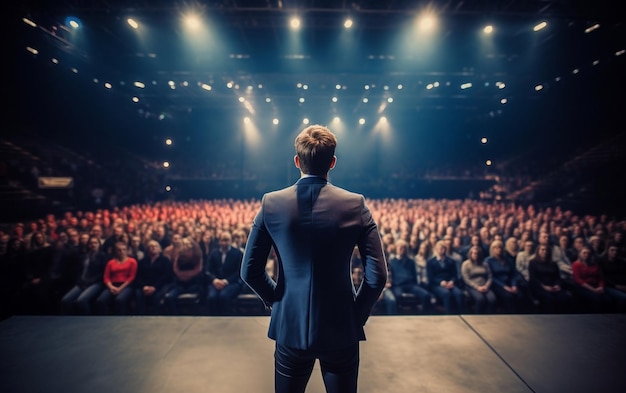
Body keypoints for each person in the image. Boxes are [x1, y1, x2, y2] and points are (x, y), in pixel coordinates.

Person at [241, 125, 387, 393]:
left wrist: (278, 301)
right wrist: (356, 315)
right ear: (332, 162)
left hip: (290, 327)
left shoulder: (271, 203)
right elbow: (378, 276)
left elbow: (249, 271)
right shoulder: (355, 204)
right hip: (340, 326)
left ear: (297, 161)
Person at [60, 236, 107, 315]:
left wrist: (90, 281)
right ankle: (69, 320)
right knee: (65, 300)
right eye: (91, 243)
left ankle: (87, 321)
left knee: (81, 300)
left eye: (95, 243)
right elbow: (79, 271)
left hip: (96, 283)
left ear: (99, 244)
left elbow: (102, 273)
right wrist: (79, 280)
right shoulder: (84, 256)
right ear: (88, 245)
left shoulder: (103, 256)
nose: (93, 245)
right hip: (82, 282)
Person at [205, 231, 244, 316]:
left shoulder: (237, 253)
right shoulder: (214, 253)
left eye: (226, 240)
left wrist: (226, 281)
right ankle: (213, 321)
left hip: (232, 283)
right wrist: (214, 280)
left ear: (230, 241)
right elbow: (208, 270)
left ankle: (226, 320)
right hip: (216, 282)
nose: (224, 243)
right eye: (222, 240)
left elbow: (239, 272)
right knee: (212, 297)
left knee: (223, 296)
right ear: (219, 241)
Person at [528, 243, 573, 313]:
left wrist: (557, 285)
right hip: (540, 287)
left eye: (546, 250)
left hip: (553, 286)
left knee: (564, 297)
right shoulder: (533, 263)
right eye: (542, 250)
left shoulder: (553, 263)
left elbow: (557, 277)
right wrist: (544, 287)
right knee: (550, 298)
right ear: (538, 251)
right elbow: (533, 278)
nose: (545, 251)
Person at [95, 241, 138, 315]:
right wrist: (111, 287)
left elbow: (132, 277)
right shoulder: (110, 262)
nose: (122, 252)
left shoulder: (132, 261)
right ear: (115, 251)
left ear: (127, 251)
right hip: (112, 285)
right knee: (101, 300)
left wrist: (120, 288)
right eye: (119, 250)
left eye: (124, 250)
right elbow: (106, 277)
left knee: (119, 300)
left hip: (126, 285)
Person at [389, 239, 431, 314]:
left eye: (404, 248)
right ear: (396, 249)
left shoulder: (410, 261)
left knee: (426, 295)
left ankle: (425, 316)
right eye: (400, 248)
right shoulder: (392, 262)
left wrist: (415, 285)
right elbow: (391, 276)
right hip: (398, 285)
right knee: (398, 296)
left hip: (410, 285)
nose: (402, 250)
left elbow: (414, 275)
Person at [135, 240, 173, 315]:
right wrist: (144, 286)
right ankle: (140, 317)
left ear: (160, 249)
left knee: (157, 296)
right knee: (138, 294)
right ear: (147, 249)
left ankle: (156, 316)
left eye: (156, 246)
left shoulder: (165, 260)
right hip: (146, 285)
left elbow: (166, 276)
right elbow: (139, 276)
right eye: (151, 246)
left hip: (160, 285)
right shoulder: (143, 261)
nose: (153, 248)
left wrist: (154, 287)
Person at [427, 240, 465, 314]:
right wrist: (441, 282)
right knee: (446, 294)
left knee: (459, 294)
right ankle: (449, 315)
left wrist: (452, 281)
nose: (440, 250)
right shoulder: (431, 262)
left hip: (450, 283)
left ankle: (461, 314)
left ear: (445, 249)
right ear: (435, 250)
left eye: (442, 248)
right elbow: (431, 277)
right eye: (438, 249)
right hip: (437, 284)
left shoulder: (451, 261)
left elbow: (455, 275)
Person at [461, 245, 497, 314]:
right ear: (470, 254)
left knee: (492, 299)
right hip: (472, 286)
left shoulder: (485, 264)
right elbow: (466, 279)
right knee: (480, 299)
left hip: (485, 285)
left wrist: (486, 286)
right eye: (473, 253)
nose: (475, 255)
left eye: (477, 253)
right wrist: (477, 287)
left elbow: (490, 276)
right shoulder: (465, 264)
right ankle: (478, 317)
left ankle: (490, 317)